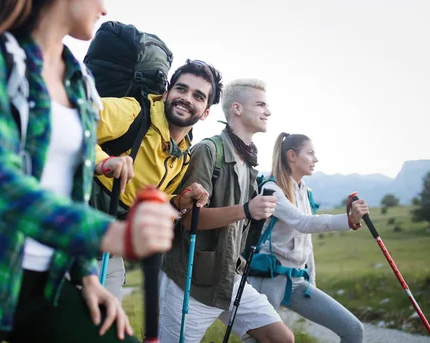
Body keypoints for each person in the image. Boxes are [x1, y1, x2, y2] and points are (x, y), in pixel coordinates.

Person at [0, 1, 179, 342]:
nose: (104, 9)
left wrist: (88, 277)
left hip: (46, 286)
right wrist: (114, 235)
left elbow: (72, 189)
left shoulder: (77, 79)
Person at [159, 79, 296, 343]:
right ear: (237, 109)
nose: (268, 112)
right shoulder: (208, 151)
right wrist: (246, 209)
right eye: (260, 104)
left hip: (229, 277)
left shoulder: (249, 164)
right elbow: (189, 220)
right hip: (191, 281)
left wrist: (252, 214)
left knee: (280, 338)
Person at [91, 59, 221, 302]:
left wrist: (180, 202)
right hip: (73, 232)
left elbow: (156, 203)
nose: (186, 98)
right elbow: (73, 122)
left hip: (108, 251)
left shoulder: (181, 155)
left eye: (198, 96)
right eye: (181, 89)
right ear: (166, 93)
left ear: (205, 113)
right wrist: (103, 162)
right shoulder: (133, 112)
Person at [247, 132, 369, 343]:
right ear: (292, 156)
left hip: (296, 281)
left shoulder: (305, 191)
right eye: (310, 153)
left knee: (353, 329)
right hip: (267, 279)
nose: (316, 159)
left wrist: (311, 281)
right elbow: (303, 223)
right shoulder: (271, 189)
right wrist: (347, 220)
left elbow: (306, 243)